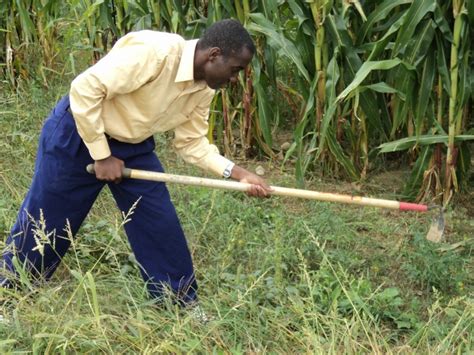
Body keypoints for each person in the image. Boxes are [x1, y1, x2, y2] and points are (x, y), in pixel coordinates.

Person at [0, 19, 272, 306]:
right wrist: (102, 155)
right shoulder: (155, 52)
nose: (234, 80)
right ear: (214, 55)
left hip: (133, 145)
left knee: (159, 221)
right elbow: (84, 89)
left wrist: (239, 174)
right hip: (80, 132)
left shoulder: (204, 88)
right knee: (47, 220)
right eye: (235, 70)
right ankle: (8, 294)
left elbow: (191, 143)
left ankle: (176, 302)